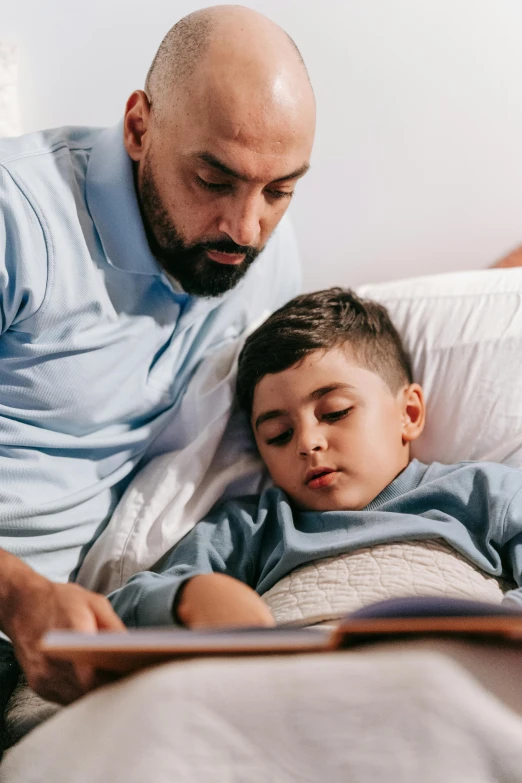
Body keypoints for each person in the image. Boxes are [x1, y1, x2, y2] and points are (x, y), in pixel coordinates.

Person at [0, 3, 316, 720]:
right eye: (214, 179)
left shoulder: (265, 263)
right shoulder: (16, 218)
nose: (246, 227)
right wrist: (19, 596)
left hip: (77, 636)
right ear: (139, 126)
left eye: (280, 190)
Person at [109, 287, 522, 629]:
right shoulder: (251, 528)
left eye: (336, 412)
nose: (307, 442)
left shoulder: (484, 493)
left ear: (409, 413)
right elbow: (120, 610)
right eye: (278, 435)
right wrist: (187, 597)